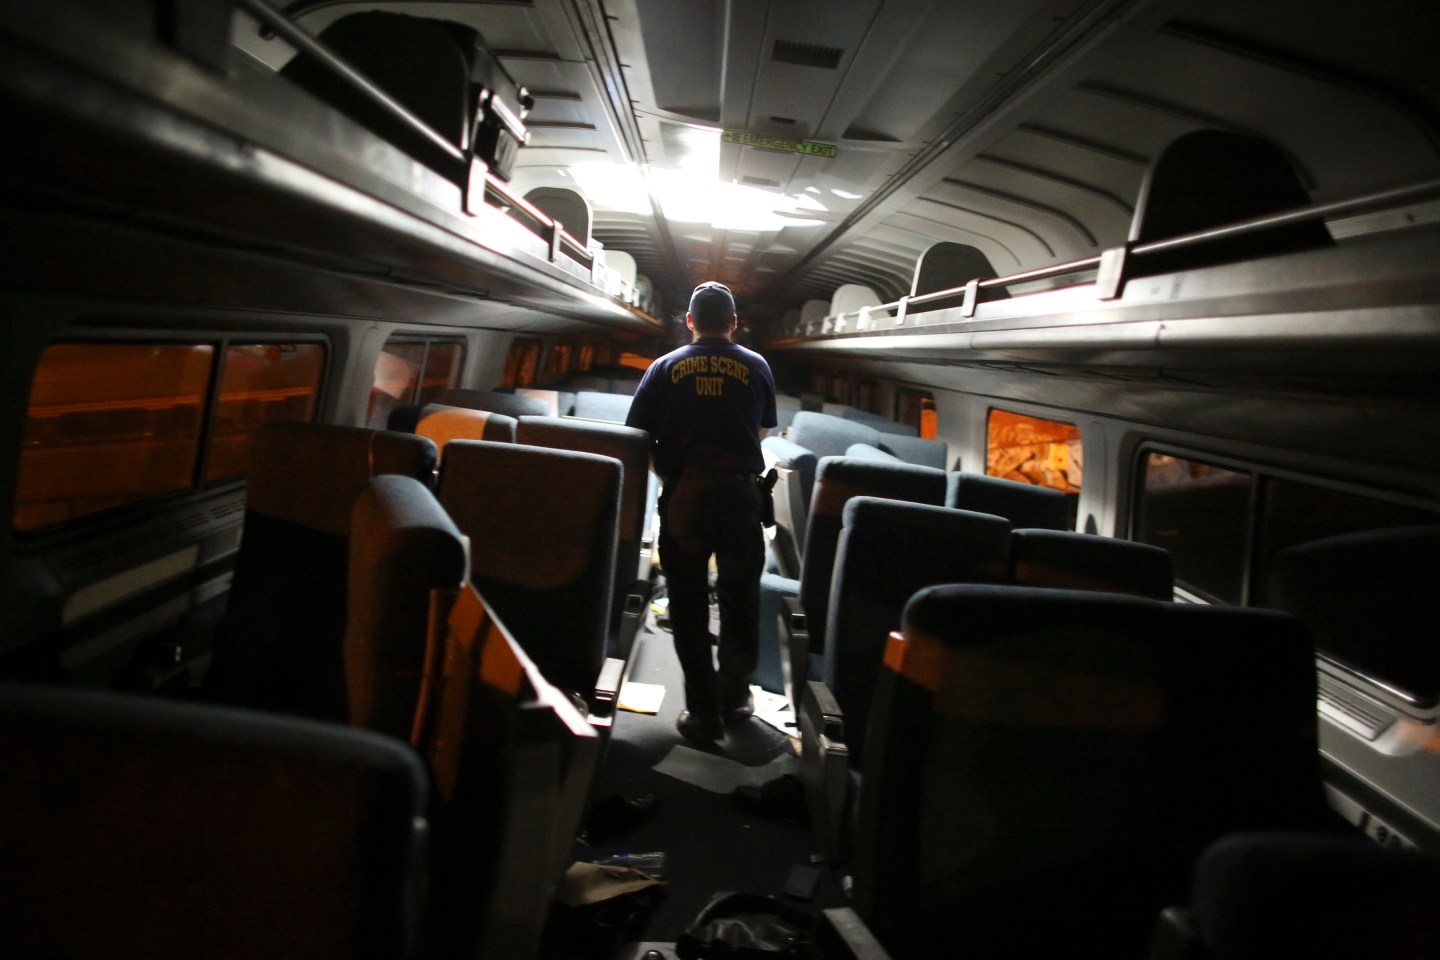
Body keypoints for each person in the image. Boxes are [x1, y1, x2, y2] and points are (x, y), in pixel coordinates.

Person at [626, 281, 778, 743]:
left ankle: (701, 713)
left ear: (689, 321)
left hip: (685, 497)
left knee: (688, 604)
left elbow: (636, 438)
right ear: (734, 323)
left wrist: (670, 476)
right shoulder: (757, 365)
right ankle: (734, 700)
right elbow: (762, 430)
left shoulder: (663, 366)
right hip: (740, 497)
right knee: (740, 601)